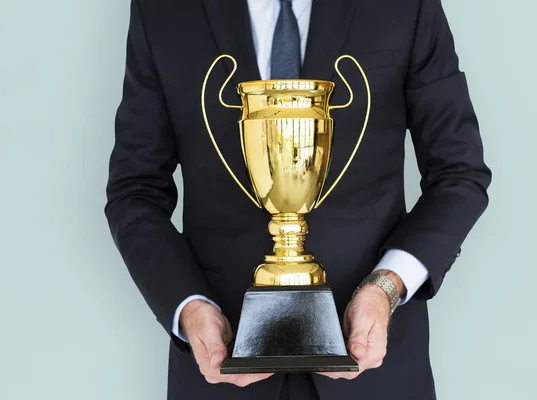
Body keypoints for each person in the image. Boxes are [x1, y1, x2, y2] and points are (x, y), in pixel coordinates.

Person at [105, 0, 491, 399]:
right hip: (222, 375)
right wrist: (189, 307)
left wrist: (387, 287)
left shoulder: (405, 6)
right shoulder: (163, 11)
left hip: (376, 375)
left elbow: (459, 174)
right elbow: (135, 191)